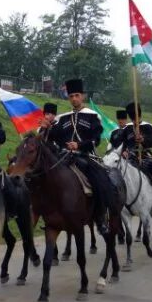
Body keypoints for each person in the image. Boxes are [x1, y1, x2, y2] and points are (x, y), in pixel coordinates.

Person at [45, 78, 111, 234]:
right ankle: (51, 215)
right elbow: (52, 138)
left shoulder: (92, 116)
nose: (74, 98)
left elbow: (96, 140)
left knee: (99, 180)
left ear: (82, 96)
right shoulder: (63, 118)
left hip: (86, 156)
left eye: (76, 95)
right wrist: (47, 128)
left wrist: (79, 145)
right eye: (71, 96)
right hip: (64, 157)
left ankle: (101, 217)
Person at [114, 102, 152, 211]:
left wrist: (143, 140)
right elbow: (121, 144)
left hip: (144, 156)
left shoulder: (147, 127)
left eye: (135, 116)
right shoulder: (127, 129)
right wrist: (123, 151)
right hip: (130, 158)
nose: (134, 120)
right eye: (132, 118)